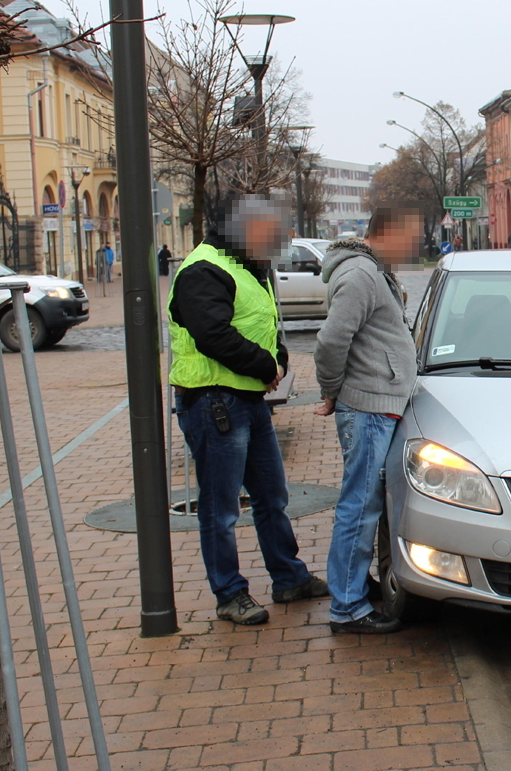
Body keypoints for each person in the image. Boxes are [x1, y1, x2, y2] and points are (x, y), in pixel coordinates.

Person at [169, 195, 327, 626]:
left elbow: (264, 324)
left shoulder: (246, 266)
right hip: (213, 401)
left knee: (271, 496)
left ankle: (289, 578)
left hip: (249, 400)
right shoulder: (203, 269)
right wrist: (265, 366)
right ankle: (229, 593)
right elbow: (213, 335)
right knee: (220, 508)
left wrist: (280, 360)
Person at [312, 205, 419, 634]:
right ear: (387, 234)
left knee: (365, 503)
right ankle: (348, 608)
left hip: (377, 403)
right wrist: (331, 389)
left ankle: (354, 585)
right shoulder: (361, 274)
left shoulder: (373, 270)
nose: (414, 248)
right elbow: (330, 341)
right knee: (359, 506)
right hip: (368, 407)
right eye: (410, 239)